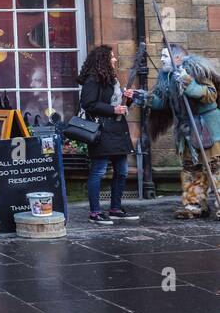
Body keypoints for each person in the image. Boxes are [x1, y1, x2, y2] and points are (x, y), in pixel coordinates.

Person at [148, 44, 220, 219]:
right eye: (161, 56)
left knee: (216, 167)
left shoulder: (195, 70)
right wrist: (146, 98)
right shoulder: (166, 78)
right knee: (191, 168)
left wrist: (188, 82)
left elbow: (210, 94)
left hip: (207, 127)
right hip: (187, 130)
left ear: (178, 58)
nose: (161, 60)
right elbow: (163, 103)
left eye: (165, 56)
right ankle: (194, 204)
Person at [78, 45, 139, 223]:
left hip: (118, 131)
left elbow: (121, 108)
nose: (115, 59)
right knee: (98, 171)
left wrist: (128, 98)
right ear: (103, 59)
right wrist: (113, 109)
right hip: (102, 131)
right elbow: (88, 104)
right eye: (111, 57)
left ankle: (115, 208)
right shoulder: (93, 79)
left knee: (122, 171)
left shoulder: (112, 79)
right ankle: (95, 213)